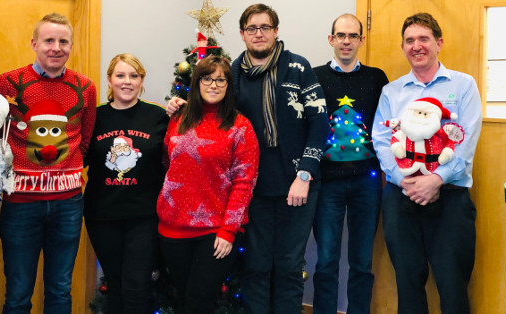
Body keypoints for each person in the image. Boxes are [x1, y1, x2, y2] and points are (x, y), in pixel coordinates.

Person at [167, 4, 329, 313]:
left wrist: (305, 174)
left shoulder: (298, 67)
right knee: (256, 266)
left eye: (265, 27)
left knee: (289, 266)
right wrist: (181, 105)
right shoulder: (232, 73)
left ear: (276, 31)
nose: (259, 33)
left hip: (298, 185)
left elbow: (320, 122)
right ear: (242, 34)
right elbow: (210, 108)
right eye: (252, 28)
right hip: (253, 188)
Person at [371, 12, 482, 314]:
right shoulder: (391, 92)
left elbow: (467, 139)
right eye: (409, 40)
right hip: (401, 195)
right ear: (403, 47)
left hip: (450, 198)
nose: (416, 46)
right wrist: (401, 178)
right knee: (407, 281)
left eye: (423, 39)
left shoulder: (463, 86)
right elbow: (381, 140)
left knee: (452, 282)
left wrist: (437, 179)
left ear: (439, 43)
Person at [0, 12, 97, 313]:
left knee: (61, 290)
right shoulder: (8, 83)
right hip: (20, 203)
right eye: (49, 40)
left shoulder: (85, 88)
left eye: (64, 41)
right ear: (34, 43)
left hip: (68, 204)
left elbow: (85, 141)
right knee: (18, 291)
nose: (56, 47)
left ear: (71, 46)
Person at [158, 55, 259, 313]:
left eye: (220, 80)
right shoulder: (178, 119)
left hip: (214, 231)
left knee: (199, 301)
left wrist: (228, 230)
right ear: (197, 82)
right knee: (181, 298)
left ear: (228, 86)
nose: (213, 85)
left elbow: (244, 182)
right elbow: (166, 163)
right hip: (172, 228)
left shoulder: (240, 126)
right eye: (206, 78)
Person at [311, 14, 388, 314]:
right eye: (340, 35)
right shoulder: (314, 77)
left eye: (352, 36)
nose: (346, 41)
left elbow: (387, 125)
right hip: (326, 181)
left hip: (367, 182)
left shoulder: (376, 78)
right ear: (331, 40)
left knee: (362, 262)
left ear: (361, 40)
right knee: (327, 260)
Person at [84, 53, 168, 313]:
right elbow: (78, 158)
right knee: (116, 284)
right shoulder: (94, 118)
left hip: (144, 216)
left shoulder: (158, 116)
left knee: (137, 285)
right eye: (120, 75)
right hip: (102, 216)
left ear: (142, 81)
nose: (127, 82)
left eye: (134, 76)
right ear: (109, 80)